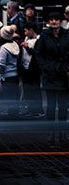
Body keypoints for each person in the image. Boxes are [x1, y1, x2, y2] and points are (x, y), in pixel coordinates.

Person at [35, 12, 69, 145]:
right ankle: (50, 133)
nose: (54, 21)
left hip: (63, 74)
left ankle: (62, 133)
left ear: (61, 21)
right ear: (49, 21)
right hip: (50, 73)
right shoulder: (44, 35)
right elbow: (38, 53)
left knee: (62, 106)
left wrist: (66, 67)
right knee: (50, 105)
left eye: (57, 19)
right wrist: (45, 67)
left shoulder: (67, 35)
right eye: (51, 19)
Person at [0, 25, 20, 119]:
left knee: (9, 97)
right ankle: (15, 115)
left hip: (7, 77)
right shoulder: (16, 45)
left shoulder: (4, 48)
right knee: (15, 97)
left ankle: (10, 116)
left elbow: (0, 65)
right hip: (16, 75)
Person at [19, 22, 43, 118]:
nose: (24, 33)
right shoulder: (26, 39)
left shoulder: (39, 40)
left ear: (31, 30)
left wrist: (27, 47)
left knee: (35, 90)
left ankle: (38, 110)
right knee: (27, 91)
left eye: (25, 31)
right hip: (25, 68)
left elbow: (38, 53)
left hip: (33, 69)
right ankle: (30, 109)